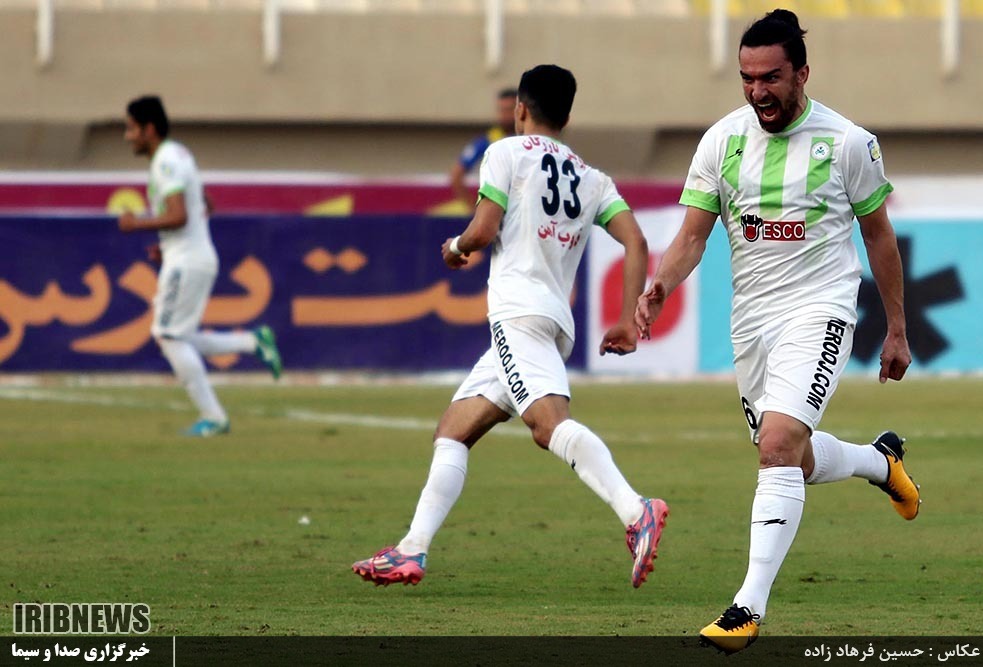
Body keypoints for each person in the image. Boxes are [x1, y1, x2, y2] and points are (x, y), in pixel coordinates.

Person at [634, 10, 920, 653]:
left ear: (802, 74)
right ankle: (880, 462)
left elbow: (878, 236)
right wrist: (660, 285)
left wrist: (896, 326)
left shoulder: (847, 143)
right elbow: (692, 235)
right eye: (747, 78)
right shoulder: (721, 142)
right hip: (752, 324)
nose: (757, 91)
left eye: (771, 78)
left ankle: (746, 609)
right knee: (791, 454)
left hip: (821, 310)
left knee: (779, 445)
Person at [353, 65, 668, 589]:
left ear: (521, 109)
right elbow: (635, 241)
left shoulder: (505, 152)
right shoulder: (592, 177)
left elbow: (483, 228)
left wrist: (456, 248)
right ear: (567, 116)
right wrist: (626, 321)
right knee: (454, 429)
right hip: (550, 319)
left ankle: (637, 511)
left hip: (517, 313)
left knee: (547, 426)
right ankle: (411, 550)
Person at [118, 95, 283, 436]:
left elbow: (179, 214)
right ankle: (253, 342)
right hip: (191, 255)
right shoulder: (180, 153)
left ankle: (214, 417)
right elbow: (206, 203)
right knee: (180, 336)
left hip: (187, 260)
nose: (127, 136)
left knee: (167, 336)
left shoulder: (165, 162)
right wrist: (169, 245)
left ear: (149, 129)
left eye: (131, 129)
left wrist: (138, 223)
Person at [448, 88, 518, 212]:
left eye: (509, 110)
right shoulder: (487, 141)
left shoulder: (529, 140)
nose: (505, 115)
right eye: (502, 110)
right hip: (497, 211)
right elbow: (456, 175)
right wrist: (474, 209)